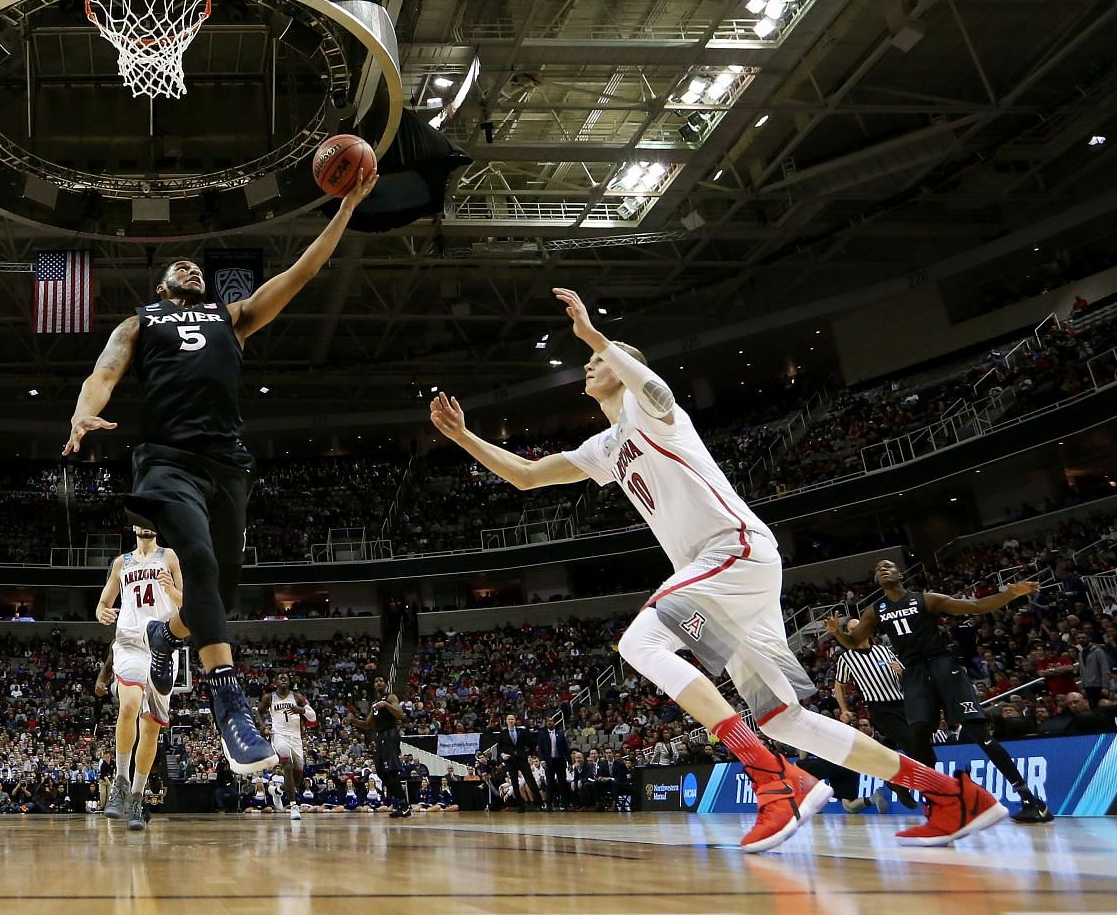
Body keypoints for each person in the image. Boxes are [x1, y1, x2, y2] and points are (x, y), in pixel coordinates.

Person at [430, 287, 1008, 852]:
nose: (590, 363)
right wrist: (464, 437)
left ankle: (774, 779)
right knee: (784, 717)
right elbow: (528, 476)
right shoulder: (607, 446)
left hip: (731, 550)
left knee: (640, 643)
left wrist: (595, 335)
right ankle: (951, 796)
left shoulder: (657, 413)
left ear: (624, 366)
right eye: (588, 359)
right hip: (732, 578)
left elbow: (650, 384)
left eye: (601, 359)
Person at [63, 170, 377, 775]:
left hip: (228, 464)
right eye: (181, 267)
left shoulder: (231, 317)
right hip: (167, 461)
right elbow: (102, 374)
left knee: (218, 592)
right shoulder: (140, 322)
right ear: (160, 281)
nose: (192, 270)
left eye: (198, 268)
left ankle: (166, 635)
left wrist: (348, 208)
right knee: (200, 565)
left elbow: (303, 273)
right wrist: (82, 415)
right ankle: (228, 701)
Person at [826, 560, 1051, 824]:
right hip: (915, 673)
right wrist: (837, 633)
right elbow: (852, 642)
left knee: (978, 733)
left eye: (889, 566)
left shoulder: (926, 600)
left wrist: (1010, 593)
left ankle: (1029, 799)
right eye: (877, 569)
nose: (883, 569)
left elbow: (976, 606)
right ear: (877, 580)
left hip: (943, 666)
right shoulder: (875, 611)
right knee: (918, 734)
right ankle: (934, 797)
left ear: (901, 574)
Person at [94, 522, 182, 830]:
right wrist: (102, 612)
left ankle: (136, 797)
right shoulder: (122, 562)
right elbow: (103, 603)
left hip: (161, 644)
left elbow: (185, 604)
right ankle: (120, 780)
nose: (146, 524)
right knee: (128, 705)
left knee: (150, 729)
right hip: (130, 641)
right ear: (133, 526)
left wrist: (170, 588)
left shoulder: (169, 556)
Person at [828, 619, 917, 811]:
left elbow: (904, 673)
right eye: (851, 630)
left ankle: (891, 776)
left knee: (908, 745)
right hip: (880, 708)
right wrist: (843, 709)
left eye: (858, 628)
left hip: (903, 703)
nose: (855, 632)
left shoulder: (883, 650)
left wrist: (902, 672)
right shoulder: (847, 658)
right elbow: (839, 685)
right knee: (910, 742)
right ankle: (900, 785)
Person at [347, 679, 410, 818]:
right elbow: (369, 724)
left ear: (386, 684)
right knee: (381, 772)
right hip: (380, 736)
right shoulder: (374, 703)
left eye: (381, 681)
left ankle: (404, 804)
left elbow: (400, 715)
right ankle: (400, 802)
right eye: (376, 681)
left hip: (390, 734)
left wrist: (386, 704)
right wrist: (353, 721)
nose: (378, 683)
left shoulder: (390, 697)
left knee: (391, 771)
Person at [261, 673, 317, 821]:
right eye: (281, 678)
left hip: (296, 738)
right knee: (286, 764)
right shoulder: (269, 697)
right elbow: (258, 712)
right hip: (278, 735)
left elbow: (313, 717)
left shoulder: (297, 697)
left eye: (286, 678)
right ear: (275, 682)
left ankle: (278, 791)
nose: (284, 679)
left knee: (297, 780)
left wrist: (302, 710)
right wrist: (262, 727)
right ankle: (294, 806)